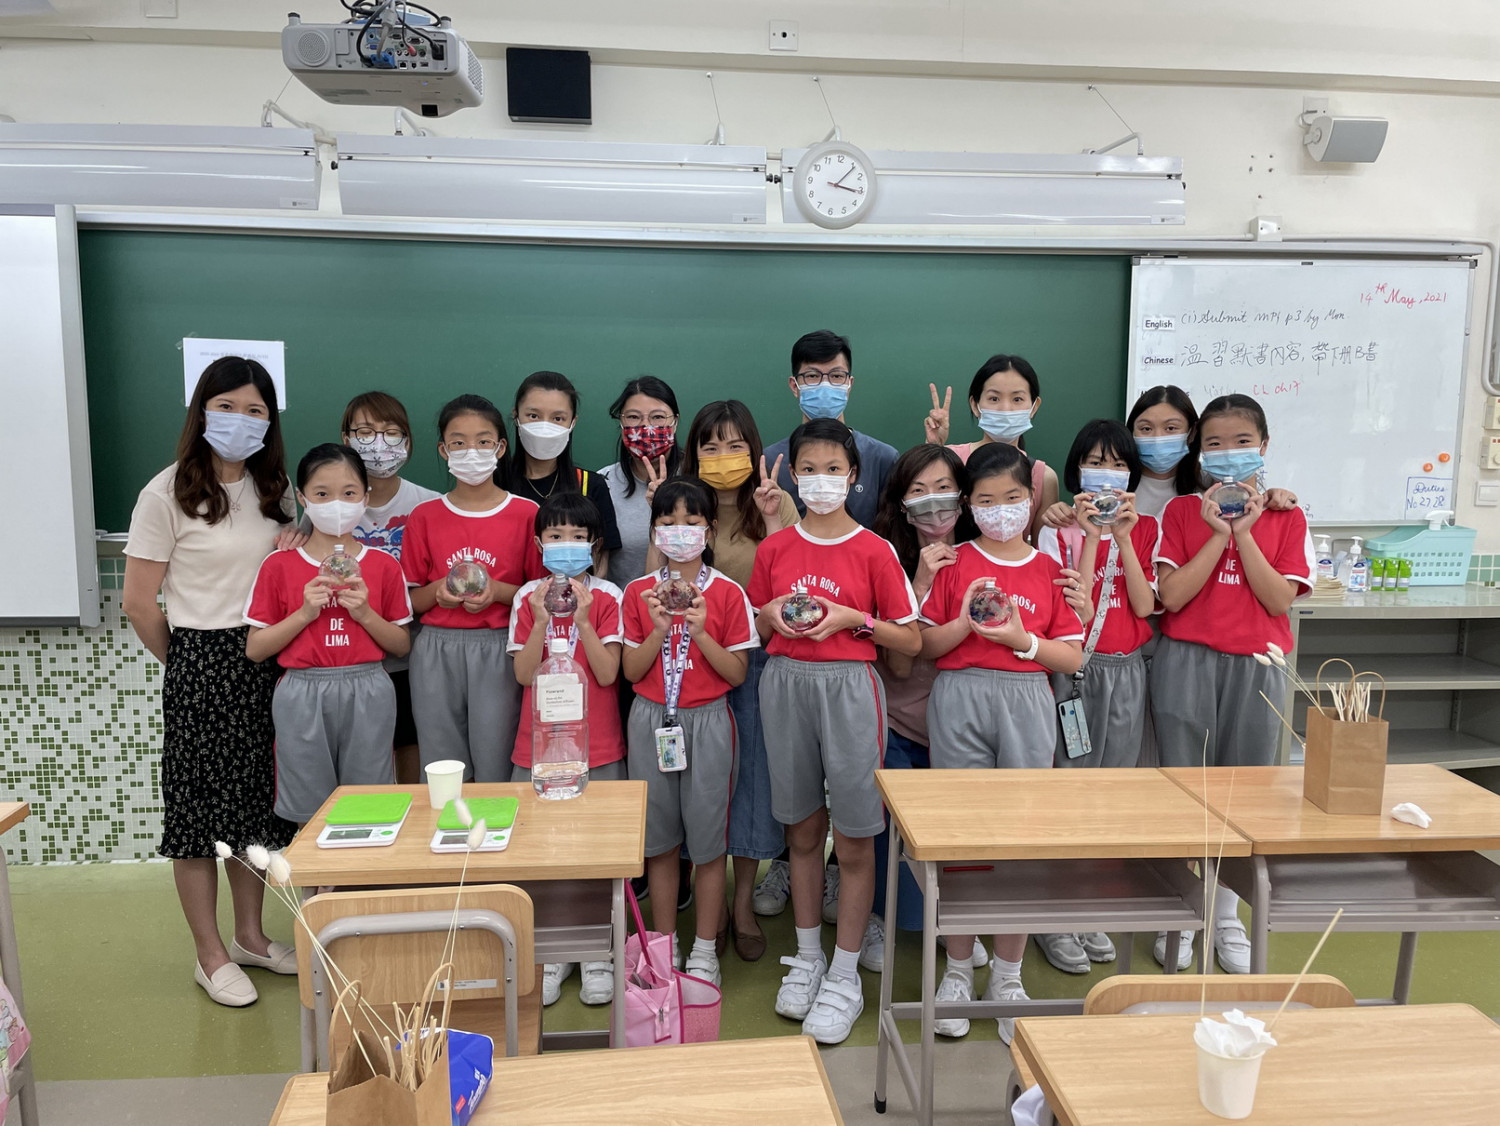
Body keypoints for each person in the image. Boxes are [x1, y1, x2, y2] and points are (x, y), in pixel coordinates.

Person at [122, 356, 298, 1008]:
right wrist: (187, 666)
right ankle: (210, 954)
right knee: (198, 816)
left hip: (265, 658)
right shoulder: (165, 494)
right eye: (227, 407)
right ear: (202, 411)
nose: (240, 420)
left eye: (255, 410)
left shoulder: (277, 489)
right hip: (199, 660)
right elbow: (138, 603)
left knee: (253, 809)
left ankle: (250, 936)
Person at [748, 419, 922, 1045]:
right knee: (800, 832)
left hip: (850, 687)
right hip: (785, 684)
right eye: (809, 469)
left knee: (852, 838)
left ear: (853, 476)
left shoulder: (875, 550)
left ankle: (845, 974)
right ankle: (807, 958)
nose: (821, 480)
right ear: (794, 475)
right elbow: (758, 628)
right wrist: (769, 616)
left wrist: (855, 618)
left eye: (833, 469)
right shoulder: (774, 549)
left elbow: (910, 639)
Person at [917, 441, 1085, 1044]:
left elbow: (1073, 656)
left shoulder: (1050, 568)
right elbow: (925, 647)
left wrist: (1022, 640)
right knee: (960, 838)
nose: (999, 510)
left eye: (1011, 498)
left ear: (1031, 499)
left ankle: (1009, 976)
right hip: (958, 697)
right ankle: (958, 968)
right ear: (967, 504)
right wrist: (964, 622)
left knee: (1022, 838)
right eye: (985, 501)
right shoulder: (952, 562)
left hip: (1027, 697)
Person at [1153, 393, 1313, 975]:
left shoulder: (1287, 516)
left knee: (1245, 795)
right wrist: (1217, 533)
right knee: (1184, 791)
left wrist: (1244, 532)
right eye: (1214, 443)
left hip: (1257, 665)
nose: (1228, 453)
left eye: (1242, 442)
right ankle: (1182, 913)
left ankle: (1226, 916)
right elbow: (1172, 597)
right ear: (1198, 451)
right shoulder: (1179, 514)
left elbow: (1278, 600)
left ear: (1264, 446)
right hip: (1186, 661)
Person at [621, 478, 758, 988]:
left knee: (707, 843)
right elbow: (631, 671)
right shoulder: (638, 593)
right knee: (659, 844)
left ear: (710, 529)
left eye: (691, 522)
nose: (680, 531)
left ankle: (703, 947)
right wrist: (659, 629)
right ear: (654, 531)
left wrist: (699, 632)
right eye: (668, 522)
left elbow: (737, 674)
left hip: (709, 721)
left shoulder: (727, 593)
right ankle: (663, 945)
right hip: (651, 718)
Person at [1032, 420, 1157, 975]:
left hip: (1125, 669)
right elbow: (1075, 612)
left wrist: (1122, 538)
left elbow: (1145, 605)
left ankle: (1088, 905)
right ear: (1076, 470)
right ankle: (1053, 915)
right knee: (1066, 790)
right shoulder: (1056, 533)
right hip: (1074, 672)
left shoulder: (1146, 529)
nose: (1106, 474)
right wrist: (1090, 536)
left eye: (1118, 464)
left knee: (1111, 792)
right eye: (1095, 462)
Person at [681, 400, 799, 960]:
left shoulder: (777, 505)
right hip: (689, 666)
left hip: (758, 665)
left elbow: (794, 582)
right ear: (694, 454)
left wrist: (773, 519)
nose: (723, 456)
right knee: (697, 784)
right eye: (710, 446)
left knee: (752, 783)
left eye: (735, 446)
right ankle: (702, 904)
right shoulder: (682, 509)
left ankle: (742, 902)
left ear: (755, 452)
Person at [244, 444, 413, 823]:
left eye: (349, 493)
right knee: (311, 812)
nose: (336, 503)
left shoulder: (384, 565)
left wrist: (365, 614)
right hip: (302, 691)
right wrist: (304, 613)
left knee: (368, 808)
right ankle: (314, 865)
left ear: (365, 497)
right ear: (302, 498)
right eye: (322, 494)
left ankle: (367, 861)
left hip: (368, 689)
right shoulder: (279, 565)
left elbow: (401, 645)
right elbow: (255, 648)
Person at [864, 444, 981, 972]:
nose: (933, 503)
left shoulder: (986, 554)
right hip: (899, 719)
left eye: (944, 490)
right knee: (889, 829)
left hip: (962, 725)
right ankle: (882, 916)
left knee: (958, 828)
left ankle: (955, 923)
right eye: (918, 492)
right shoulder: (887, 559)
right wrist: (922, 583)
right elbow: (899, 663)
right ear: (901, 503)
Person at [509, 492, 627, 1007]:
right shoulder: (526, 597)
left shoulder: (608, 596)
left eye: (577, 536)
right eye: (555, 535)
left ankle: (598, 952)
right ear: (539, 544)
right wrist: (540, 620)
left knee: (596, 849)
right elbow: (522, 674)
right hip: (539, 747)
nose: (566, 544)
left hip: (597, 745)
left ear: (594, 544)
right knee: (545, 851)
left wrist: (581, 620)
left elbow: (607, 672)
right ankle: (553, 952)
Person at [402, 395, 542, 783]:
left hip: (500, 647)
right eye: (459, 442)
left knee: (497, 758)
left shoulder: (526, 513)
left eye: (483, 441)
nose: (471, 452)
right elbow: (410, 601)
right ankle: (446, 821)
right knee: (442, 764)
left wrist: (497, 591)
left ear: (500, 447)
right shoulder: (425, 515)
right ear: (443, 450)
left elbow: (538, 596)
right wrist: (440, 592)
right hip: (435, 648)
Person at [339, 391, 441, 784]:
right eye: (365, 432)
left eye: (391, 432)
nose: (379, 444)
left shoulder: (428, 505)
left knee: (411, 750)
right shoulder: (328, 506)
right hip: (349, 661)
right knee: (360, 765)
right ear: (346, 439)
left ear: (408, 442)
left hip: (411, 658)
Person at [764, 330, 898, 530]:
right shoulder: (771, 461)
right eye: (812, 376)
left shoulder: (882, 458)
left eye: (836, 376)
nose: (825, 385)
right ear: (794, 386)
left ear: (849, 384)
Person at [922, 355, 1059, 542]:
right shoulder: (952, 459)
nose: (1005, 408)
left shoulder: (1043, 477)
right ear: (975, 405)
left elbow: (1041, 547)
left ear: (1034, 407)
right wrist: (934, 448)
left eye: (1017, 399)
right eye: (994, 398)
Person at [505, 371, 621, 577]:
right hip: (509, 596)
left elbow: (600, 562)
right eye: (533, 416)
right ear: (516, 416)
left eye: (558, 418)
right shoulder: (496, 483)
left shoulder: (590, 485)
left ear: (572, 422)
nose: (545, 426)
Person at [601, 376, 682, 587]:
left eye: (658, 417)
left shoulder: (696, 478)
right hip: (623, 603)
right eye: (633, 417)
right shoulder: (603, 484)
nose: (646, 425)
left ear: (675, 422)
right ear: (621, 423)